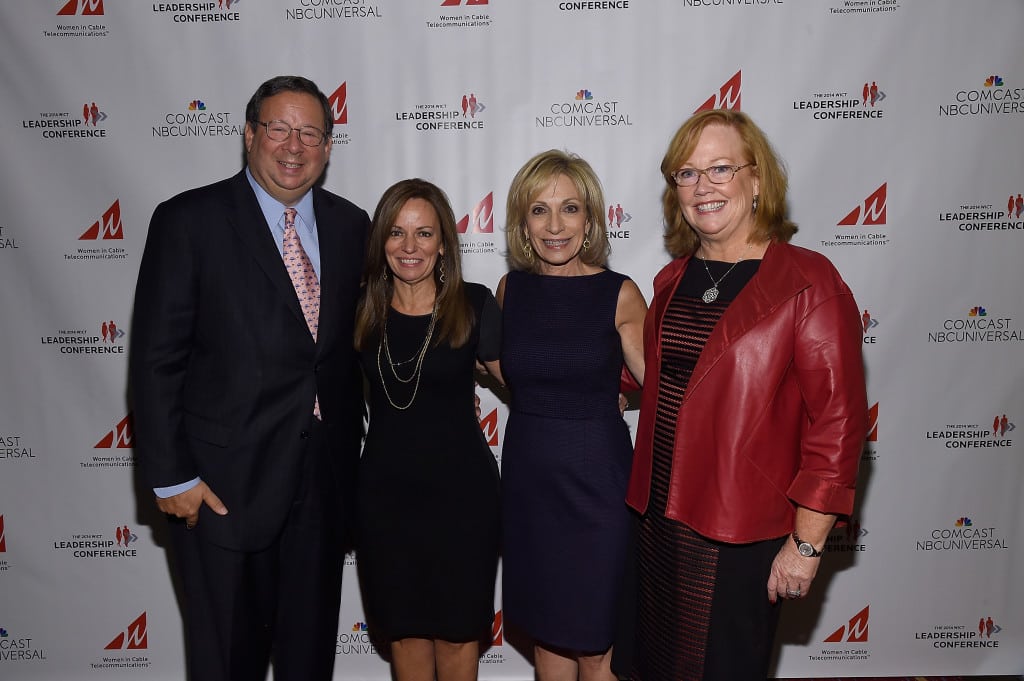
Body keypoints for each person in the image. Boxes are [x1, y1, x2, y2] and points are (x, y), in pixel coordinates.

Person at [129, 75, 369, 681]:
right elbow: (156, 360)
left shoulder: (352, 226)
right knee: (227, 663)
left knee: (308, 663)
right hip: (221, 489)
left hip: (323, 486)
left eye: (310, 132)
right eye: (279, 128)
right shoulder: (189, 221)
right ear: (249, 135)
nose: (294, 146)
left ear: (329, 146)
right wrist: (171, 477)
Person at [623, 109, 868, 680]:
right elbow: (670, 383)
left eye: (720, 168)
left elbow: (838, 424)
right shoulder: (673, 279)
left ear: (757, 180)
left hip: (738, 534)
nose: (702, 186)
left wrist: (806, 545)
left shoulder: (807, 283)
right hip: (657, 521)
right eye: (686, 173)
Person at [498, 149, 647, 681]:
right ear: (522, 222)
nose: (554, 225)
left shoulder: (620, 293)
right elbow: (509, 367)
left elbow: (664, 387)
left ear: (590, 220)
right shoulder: (510, 291)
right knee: (548, 635)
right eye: (539, 210)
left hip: (599, 487)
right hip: (529, 484)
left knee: (596, 643)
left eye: (570, 208)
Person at [353, 178, 503, 681]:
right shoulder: (358, 312)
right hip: (385, 504)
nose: (409, 247)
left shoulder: (474, 305)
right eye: (396, 233)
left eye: (424, 234)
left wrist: (603, 388)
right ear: (381, 242)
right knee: (406, 635)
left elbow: (531, 382)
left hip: (463, 503)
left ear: (443, 243)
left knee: (459, 637)